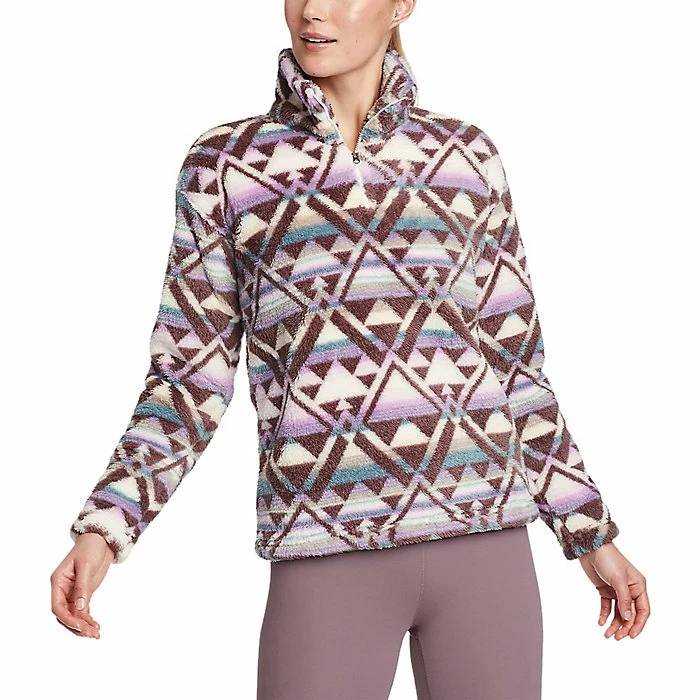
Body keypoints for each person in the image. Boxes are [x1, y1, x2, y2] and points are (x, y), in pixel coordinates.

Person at [51, 0, 650, 697]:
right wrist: (107, 525)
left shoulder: (467, 157)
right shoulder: (225, 167)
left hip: (486, 545)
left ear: (402, 5)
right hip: (324, 550)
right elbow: (188, 377)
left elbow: (517, 371)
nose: (313, 10)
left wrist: (591, 533)